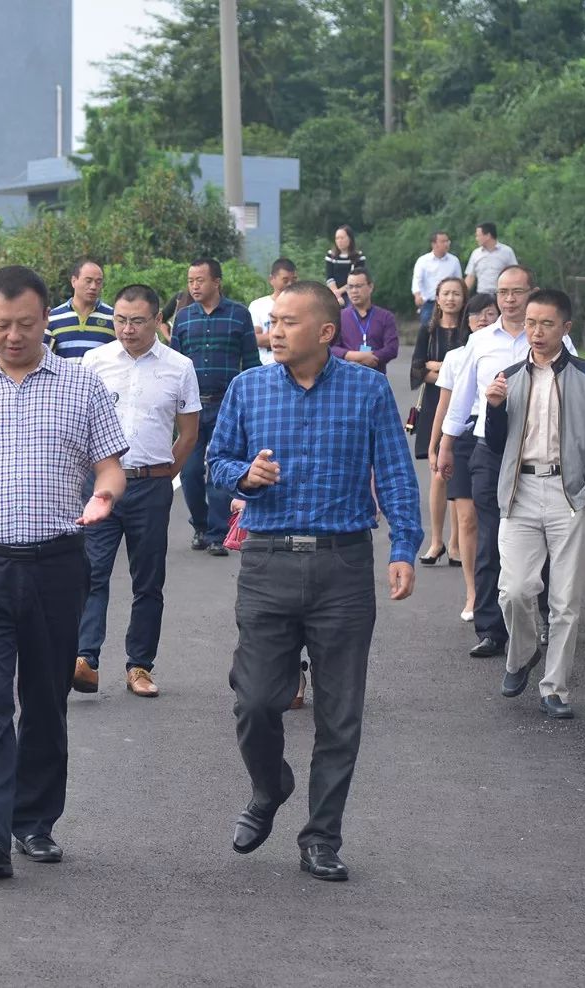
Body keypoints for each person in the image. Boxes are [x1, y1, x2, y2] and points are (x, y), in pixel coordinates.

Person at [0, 265, 129, 880]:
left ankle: (34, 822)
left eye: (27, 325)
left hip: (57, 565)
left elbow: (110, 466)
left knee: (43, 700)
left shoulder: (82, 387)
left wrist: (106, 496)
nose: (14, 336)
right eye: (3, 325)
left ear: (47, 321)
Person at [207, 280, 422, 883]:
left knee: (339, 714)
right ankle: (269, 785)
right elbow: (216, 464)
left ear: (326, 333)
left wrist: (403, 546)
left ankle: (322, 836)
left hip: (343, 567)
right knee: (253, 700)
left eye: (288, 322)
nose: (274, 331)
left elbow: (396, 474)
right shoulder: (248, 388)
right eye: (272, 321)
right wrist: (246, 476)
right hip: (268, 562)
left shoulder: (368, 389)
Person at [484, 289, 585, 719]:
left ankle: (554, 689)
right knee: (515, 590)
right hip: (520, 495)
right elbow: (494, 443)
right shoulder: (508, 377)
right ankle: (521, 655)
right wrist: (494, 408)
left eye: (546, 324)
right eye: (530, 323)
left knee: (565, 601)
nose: (536, 332)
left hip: (570, 495)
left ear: (566, 328)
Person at [74, 285, 201, 698]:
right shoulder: (94, 362)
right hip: (101, 487)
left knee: (147, 579)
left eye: (137, 321)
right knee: (91, 573)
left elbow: (188, 433)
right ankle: (84, 660)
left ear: (156, 322)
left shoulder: (178, 366)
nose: (127, 329)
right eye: (120, 320)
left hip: (152, 485)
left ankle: (140, 665)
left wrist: (164, 475)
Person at [438, 267, 571, 657]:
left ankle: (544, 618)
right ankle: (491, 628)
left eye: (517, 292)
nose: (509, 300)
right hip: (489, 452)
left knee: (543, 539)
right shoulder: (479, 341)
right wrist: (446, 446)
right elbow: (461, 400)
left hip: (537, 454)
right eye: (502, 292)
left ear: (531, 293)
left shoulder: (555, 339)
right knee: (489, 540)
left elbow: (579, 389)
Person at [171, 257, 259, 557]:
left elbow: (251, 363)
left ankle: (218, 534)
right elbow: (174, 365)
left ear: (216, 281)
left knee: (220, 470)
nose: (194, 286)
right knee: (190, 471)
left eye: (200, 280)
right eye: (191, 280)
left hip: (227, 405)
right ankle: (200, 524)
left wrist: (254, 403)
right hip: (191, 407)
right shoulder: (183, 319)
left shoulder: (238, 315)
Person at [428, 293, 497, 621]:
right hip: (463, 438)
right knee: (468, 519)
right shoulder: (456, 356)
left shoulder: (509, 351)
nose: (483, 318)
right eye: (477, 314)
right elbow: (445, 405)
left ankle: (505, 590)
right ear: (466, 321)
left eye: (489, 313)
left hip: (498, 435)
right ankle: (473, 593)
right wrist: (436, 444)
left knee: (497, 521)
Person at [409, 276, 469, 563]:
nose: (451, 298)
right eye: (446, 293)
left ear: (463, 298)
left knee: (456, 474)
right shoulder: (428, 330)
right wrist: (446, 373)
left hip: (461, 404)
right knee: (437, 474)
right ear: (438, 297)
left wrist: (438, 368)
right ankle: (436, 541)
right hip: (434, 404)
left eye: (456, 293)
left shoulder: (469, 332)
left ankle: (456, 544)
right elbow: (418, 370)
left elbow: (468, 371)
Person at [45, 257, 115, 360]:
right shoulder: (53, 317)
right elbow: (43, 357)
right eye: (88, 281)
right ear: (74, 281)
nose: (93, 286)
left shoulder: (113, 317)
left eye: (98, 282)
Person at [331, 267, 398, 371]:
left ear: (370, 287)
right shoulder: (339, 317)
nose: (354, 291)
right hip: (346, 375)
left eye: (358, 286)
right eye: (350, 287)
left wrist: (371, 357)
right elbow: (330, 347)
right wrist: (353, 356)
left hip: (376, 375)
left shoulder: (385, 317)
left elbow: (392, 348)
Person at [249, 257, 297, 366]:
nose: (290, 284)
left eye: (294, 280)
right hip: (265, 365)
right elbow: (255, 339)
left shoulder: (302, 305)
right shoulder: (258, 305)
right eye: (285, 280)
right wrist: (292, 337)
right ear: (272, 279)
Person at [410, 231, 462, 327]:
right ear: (434, 244)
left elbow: (459, 282)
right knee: (427, 329)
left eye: (447, 241)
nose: (447, 244)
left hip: (449, 302)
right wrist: (417, 295)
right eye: (443, 241)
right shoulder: (423, 261)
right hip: (430, 303)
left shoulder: (454, 261)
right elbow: (417, 280)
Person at [464, 222, 520, 295]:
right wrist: (463, 294)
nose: (476, 239)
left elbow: (514, 273)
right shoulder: (476, 253)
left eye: (478, 236)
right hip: (482, 294)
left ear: (488, 236)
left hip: (501, 294)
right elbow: (470, 277)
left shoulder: (507, 252)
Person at [323, 224, 366, 307]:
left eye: (342, 238)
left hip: (352, 291)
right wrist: (337, 295)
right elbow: (329, 278)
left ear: (350, 239)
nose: (339, 241)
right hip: (334, 291)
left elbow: (358, 279)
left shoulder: (359, 257)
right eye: (337, 238)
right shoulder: (330, 255)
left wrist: (340, 292)